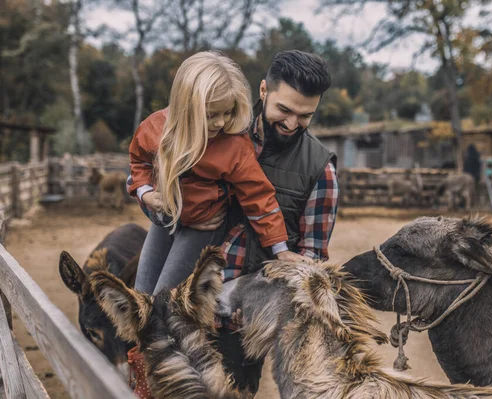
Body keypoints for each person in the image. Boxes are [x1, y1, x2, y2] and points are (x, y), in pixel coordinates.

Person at [129, 50, 339, 396]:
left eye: (305, 116)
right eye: (284, 110)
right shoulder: (215, 123)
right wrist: (152, 200)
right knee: (152, 351)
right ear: (263, 91)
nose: (291, 123)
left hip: (235, 324)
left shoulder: (319, 171)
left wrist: (281, 257)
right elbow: (145, 174)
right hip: (189, 306)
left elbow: (311, 262)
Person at [128, 51, 309, 298]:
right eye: (211, 114)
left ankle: (164, 334)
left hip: (202, 226)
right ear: (185, 106)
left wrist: (279, 248)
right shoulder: (155, 128)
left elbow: (259, 196)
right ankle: (140, 336)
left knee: (164, 299)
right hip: (165, 219)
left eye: (227, 112)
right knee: (141, 292)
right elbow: (138, 162)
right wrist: (145, 192)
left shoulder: (234, 146)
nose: (221, 123)